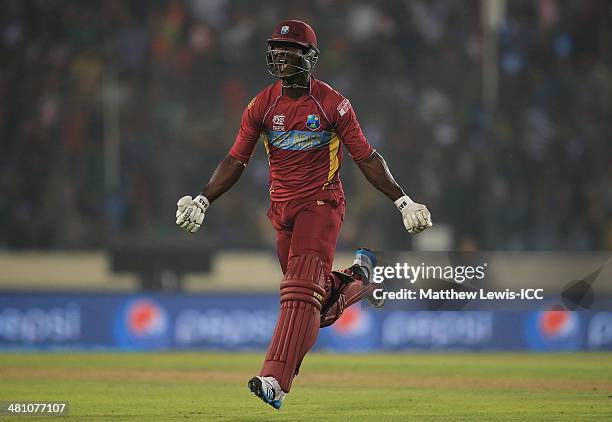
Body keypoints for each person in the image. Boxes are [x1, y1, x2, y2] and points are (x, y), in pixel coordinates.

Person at [175, 19, 432, 410]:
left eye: (289, 50)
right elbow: (235, 159)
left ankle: (275, 382)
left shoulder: (332, 104)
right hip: (282, 211)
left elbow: (366, 157)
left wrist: (403, 200)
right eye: (276, 49)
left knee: (298, 294)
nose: (280, 56)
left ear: (309, 57)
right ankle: (359, 279)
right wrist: (203, 198)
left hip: (322, 205)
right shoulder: (262, 105)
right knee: (318, 305)